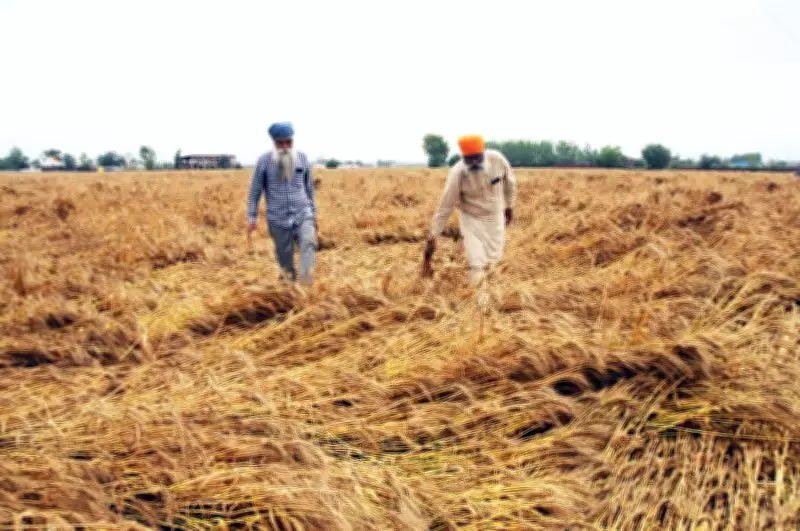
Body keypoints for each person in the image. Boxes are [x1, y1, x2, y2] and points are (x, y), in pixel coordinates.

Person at [423, 135, 517, 287]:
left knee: (494, 259)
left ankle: (494, 293)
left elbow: (510, 183)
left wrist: (509, 206)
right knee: (476, 260)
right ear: (463, 157)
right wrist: (434, 234)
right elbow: (445, 206)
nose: (473, 162)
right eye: (469, 159)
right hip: (471, 219)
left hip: (495, 217)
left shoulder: (497, 160)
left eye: (477, 158)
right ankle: (479, 302)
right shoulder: (457, 173)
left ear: (483, 153)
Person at [247, 122, 318, 285]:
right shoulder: (264, 162)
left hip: (303, 213)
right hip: (277, 219)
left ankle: (307, 287)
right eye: (280, 143)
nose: (285, 146)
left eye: (288, 142)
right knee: (285, 262)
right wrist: (252, 217)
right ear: (273, 142)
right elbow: (255, 191)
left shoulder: (302, 158)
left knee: (308, 244)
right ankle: (289, 293)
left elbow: (309, 188)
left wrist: (313, 213)